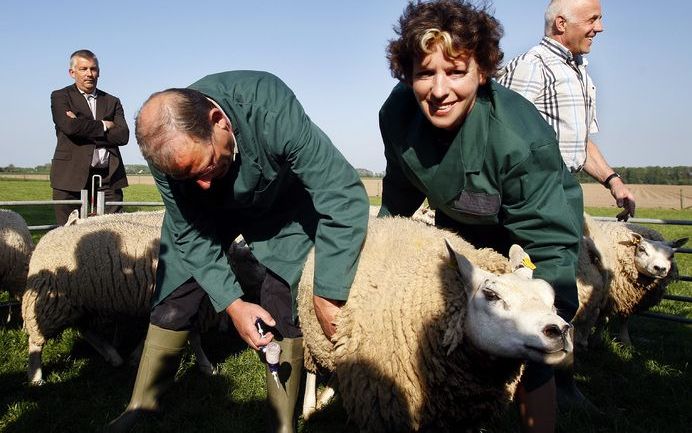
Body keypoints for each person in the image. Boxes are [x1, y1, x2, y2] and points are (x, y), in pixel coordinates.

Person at [106, 71, 369, 433]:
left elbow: (340, 192)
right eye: (189, 177)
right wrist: (233, 303)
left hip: (280, 210)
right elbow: (189, 233)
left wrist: (328, 290)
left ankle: (281, 422)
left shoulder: (269, 106)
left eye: (209, 164)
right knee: (174, 299)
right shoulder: (166, 148)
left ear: (220, 122)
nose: (204, 182)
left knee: (284, 300)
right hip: (206, 216)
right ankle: (142, 405)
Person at [378, 1, 581, 432]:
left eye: (455, 72)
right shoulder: (396, 116)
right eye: (424, 72)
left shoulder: (518, 139)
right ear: (407, 73)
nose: (438, 89)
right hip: (463, 224)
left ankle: (540, 415)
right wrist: (377, 252)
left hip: (533, 231)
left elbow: (549, 243)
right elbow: (400, 187)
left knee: (532, 351)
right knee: (461, 334)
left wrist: (547, 309)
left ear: (482, 71)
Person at [497, 0, 635, 221]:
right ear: (561, 23)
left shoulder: (578, 70)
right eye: (592, 19)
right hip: (533, 202)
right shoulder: (532, 66)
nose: (600, 28)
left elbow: (579, 144)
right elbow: (499, 139)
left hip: (564, 194)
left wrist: (614, 181)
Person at [49, 49, 129, 225]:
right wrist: (104, 125)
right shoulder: (60, 96)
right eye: (83, 69)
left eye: (93, 69)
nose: (89, 74)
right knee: (68, 232)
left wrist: (81, 125)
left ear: (98, 72)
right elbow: (69, 127)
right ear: (72, 72)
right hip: (70, 175)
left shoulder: (112, 101)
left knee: (114, 230)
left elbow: (123, 135)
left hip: (108, 178)